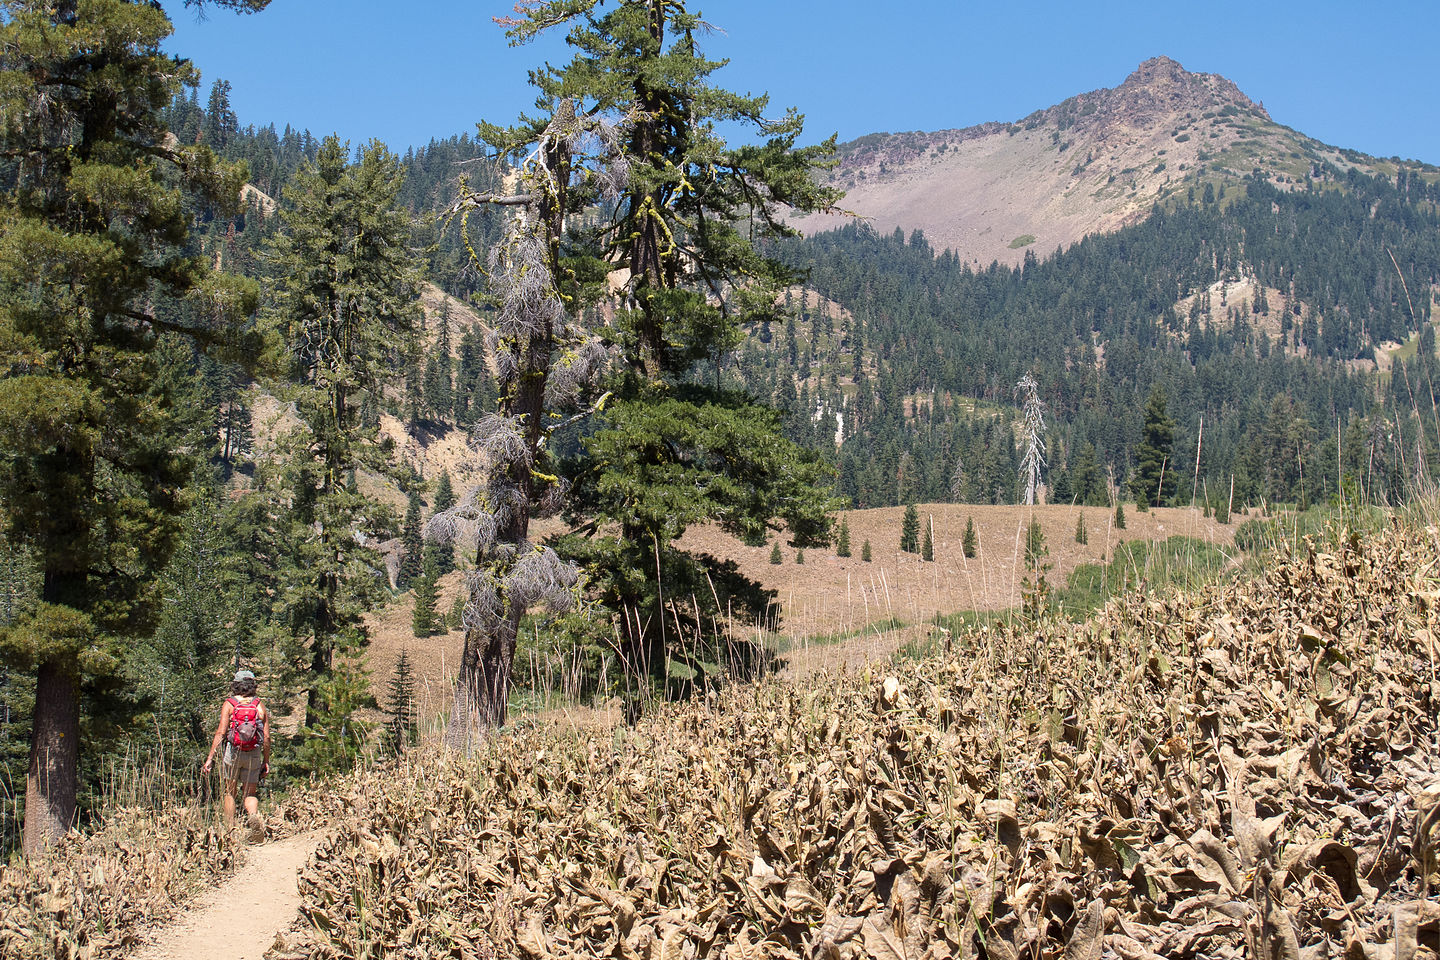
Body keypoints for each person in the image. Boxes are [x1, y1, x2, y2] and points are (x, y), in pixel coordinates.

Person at [202, 668, 271, 840]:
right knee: (250, 794)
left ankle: (230, 832)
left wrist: (210, 758)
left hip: (232, 752)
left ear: (236, 684)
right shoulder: (259, 706)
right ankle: (254, 819)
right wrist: (266, 760)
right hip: (253, 753)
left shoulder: (230, 704)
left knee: (229, 792)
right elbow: (267, 737)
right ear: (252, 684)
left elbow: (221, 733)